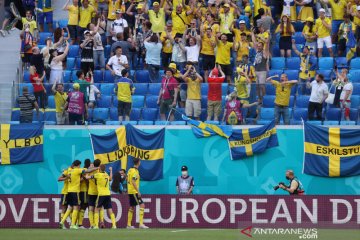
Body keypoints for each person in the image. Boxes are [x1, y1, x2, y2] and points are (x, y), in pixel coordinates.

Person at [59, 160, 99, 229]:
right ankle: (73, 225)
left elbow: (64, 174)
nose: (80, 166)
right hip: (75, 191)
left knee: (70, 207)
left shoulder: (69, 171)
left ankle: (62, 221)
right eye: (79, 165)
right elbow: (88, 171)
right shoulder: (77, 170)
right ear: (78, 165)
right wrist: (97, 168)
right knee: (76, 207)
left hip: (69, 191)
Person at [86, 164, 117, 229]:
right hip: (108, 194)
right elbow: (111, 178)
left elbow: (87, 177)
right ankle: (114, 225)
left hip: (101, 195)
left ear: (99, 169)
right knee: (110, 210)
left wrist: (87, 172)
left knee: (96, 209)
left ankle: (96, 226)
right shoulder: (106, 174)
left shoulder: (98, 175)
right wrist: (111, 170)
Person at [126, 158, 149, 229]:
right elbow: (133, 181)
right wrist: (138, 191)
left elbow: (127, 178)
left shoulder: (130, 170)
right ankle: (141, 224)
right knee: (142, 205)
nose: (140, 162)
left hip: (130, 191)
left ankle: (129, 225)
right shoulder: (135, 171)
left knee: (132, 207)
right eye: (140, 161)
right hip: (134, 191)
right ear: (138, 162)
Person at [251, 30, 270, 103]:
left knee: (262, 85)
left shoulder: (265, 52)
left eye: (260, 46)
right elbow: (254, 42)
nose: (258, 47)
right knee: (257, 86)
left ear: (262, 47)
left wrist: (268, 36)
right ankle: (259, 98)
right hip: (256, 70)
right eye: (258, 46)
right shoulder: (257, 51)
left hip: (262, 71)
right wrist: (252, 33)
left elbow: (267, 43)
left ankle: (264, 98)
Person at [86, 159, 105, 229]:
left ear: (93, 164)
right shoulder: (100, 171)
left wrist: (90, 169)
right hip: (99, 192)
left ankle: (92, 224)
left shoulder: (91, 170)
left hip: (91, 192)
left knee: (91, 208)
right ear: (99, 164)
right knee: (100, 207)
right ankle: (101, 221)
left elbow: (86, 176)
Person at [78, 159, 91, 229]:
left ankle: (79, 224)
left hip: (81, 190)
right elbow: (85, 179)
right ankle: (80, 224)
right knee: (84, 205)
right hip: (85, 190)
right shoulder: (86, 170)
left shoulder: (81, 169)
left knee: (84, 206)